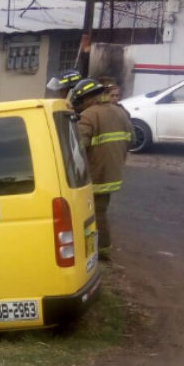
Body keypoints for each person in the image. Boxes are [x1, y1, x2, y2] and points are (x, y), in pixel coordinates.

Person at [71, 78, 134, 261]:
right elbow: (132, 140)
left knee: (95, 213)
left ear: (87, 98)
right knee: (100, 210)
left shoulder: (89, 115)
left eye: (81, 100)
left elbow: (78, 147)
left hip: (96, 173)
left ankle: (102, 251)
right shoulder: (120, 112)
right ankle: (98, 247)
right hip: (113, 172)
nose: (80, 105)